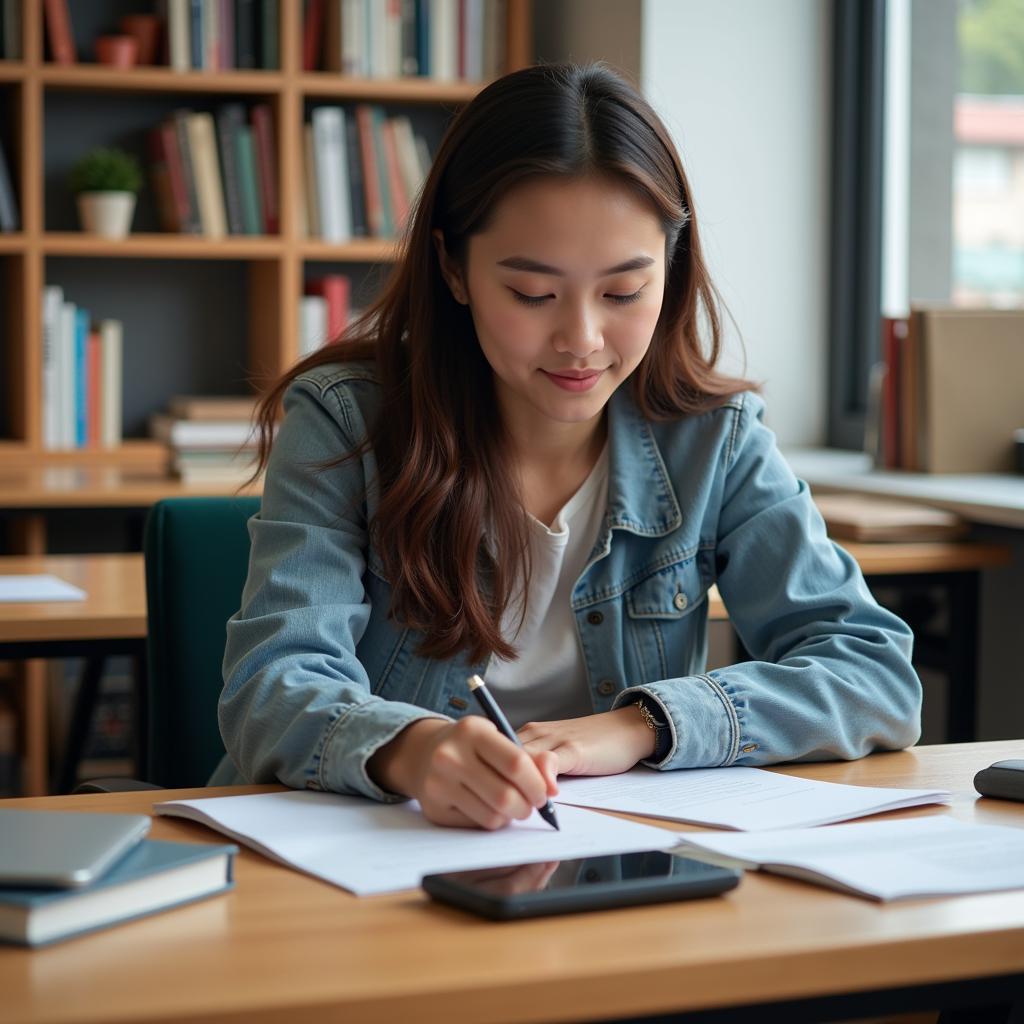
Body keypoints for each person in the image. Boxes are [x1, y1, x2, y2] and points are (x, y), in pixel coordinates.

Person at [210, 63, 921, 830]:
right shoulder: (348, 422)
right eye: (532, 294)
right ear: (454, 268)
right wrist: (414, 749)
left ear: (670, 271)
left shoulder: (716, 440)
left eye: (622, 293)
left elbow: (874, 672)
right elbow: (271, 683)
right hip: (361, 854)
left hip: (601, 858)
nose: (581, 340)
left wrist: (641, 726)